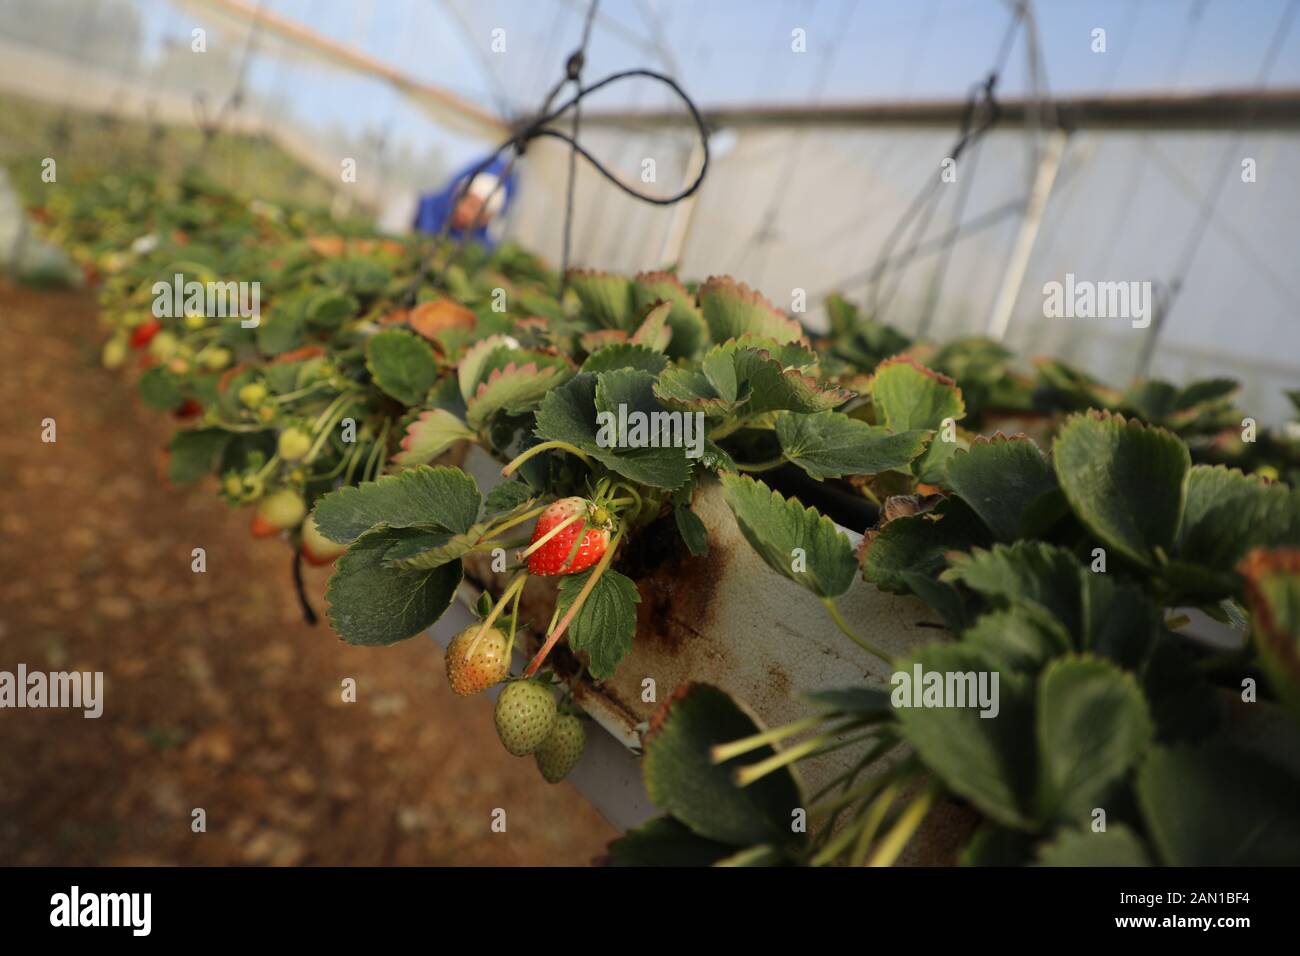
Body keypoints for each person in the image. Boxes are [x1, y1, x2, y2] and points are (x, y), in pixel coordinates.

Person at [412, 156, 516, 249]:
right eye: (465, 200)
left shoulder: (481, 247)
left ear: (486, 220)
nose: (464, 211)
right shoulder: (426, 208)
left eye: (477, 210)